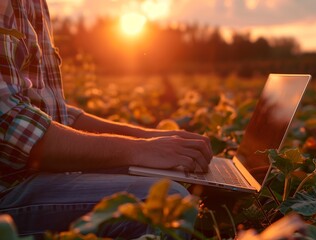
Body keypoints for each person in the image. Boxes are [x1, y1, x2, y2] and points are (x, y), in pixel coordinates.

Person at [0, 0, 213, 238]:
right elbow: (11, 127)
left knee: (165, 178)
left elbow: (53, 113)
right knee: (166, 201)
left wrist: (153, 138)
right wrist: (139, 150)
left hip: (30, 178)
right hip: (7, 193)